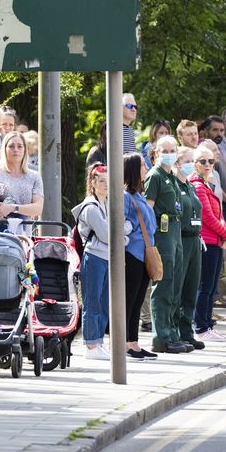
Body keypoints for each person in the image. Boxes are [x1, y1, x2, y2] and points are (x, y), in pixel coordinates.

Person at [143, 136, 189, 354]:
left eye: (173, 150)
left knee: (175, 284)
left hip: (175, 229)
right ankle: (161, 337)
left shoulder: (172, 175)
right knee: (164, 284)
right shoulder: (155, 176)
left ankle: (172, 332)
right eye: (165, 150)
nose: (169, 153)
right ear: (156, 153)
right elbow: (148, 210)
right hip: (162, 233)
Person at [72, 164, 118, 360]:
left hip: (107, 257)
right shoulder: (90, 207)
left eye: (108, 181)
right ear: (92, 183)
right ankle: (90, 344)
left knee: (104, 301)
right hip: (94, 257)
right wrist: (120, 235)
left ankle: (99, 341)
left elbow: (125, 226)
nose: (105, 185)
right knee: (92, 301)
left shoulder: (108, 203)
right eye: (101, 181)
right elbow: (108, 234)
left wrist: (119, 233)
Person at [189, 146, 226, 342]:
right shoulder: (198, 186)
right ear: (194, 164)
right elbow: (207, 217)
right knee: (205, 286)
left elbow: (219, 215)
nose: (207, 165)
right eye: (202, 161)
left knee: (211, 286)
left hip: (215, 240)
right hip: (207, 242)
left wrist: (224, 233)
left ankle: (207, 324)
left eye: (210, 161)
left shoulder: (206, 185)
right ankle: (200, 327)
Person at [121, 153, 157, 360]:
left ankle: (133, 342)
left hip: (144, 253)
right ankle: (125, 342)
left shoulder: (139, 195)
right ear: (134, 169)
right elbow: (122, 222)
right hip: (132, 254)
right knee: (129, 300)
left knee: (137, 300)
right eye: (143, 165)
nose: (147, 167)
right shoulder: (125, 196)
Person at [172, 146, 205, 349]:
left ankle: (187, 331)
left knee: (191, 289)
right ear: (177, 162)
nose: (191, 165)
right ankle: (175, 331)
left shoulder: (190, 185)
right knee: (178, 288)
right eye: (187, 160)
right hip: (181, 238)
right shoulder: (174, 185)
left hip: (195, 239)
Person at [0, 131, 44, 231]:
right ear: (4, 149)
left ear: (25, 150)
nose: (15, 150)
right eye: (11, 146)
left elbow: (38, 208)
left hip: (23, 235)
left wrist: (13, 208)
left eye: (20, 146)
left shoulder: (35, 176)